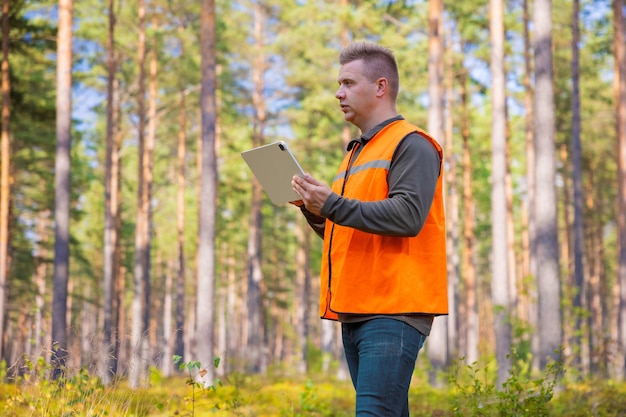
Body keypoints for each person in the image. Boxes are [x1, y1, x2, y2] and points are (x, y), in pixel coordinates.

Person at [291, 41, 448, 416]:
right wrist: (314, 210)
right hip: (356, 309)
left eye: (347, 83)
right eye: (338, 84)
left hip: (392, 309)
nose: (337, 93)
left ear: (380, 87)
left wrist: (330, 204)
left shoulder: (412, 144)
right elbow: (348, 228)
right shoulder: (355, 153)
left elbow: (407, 216)